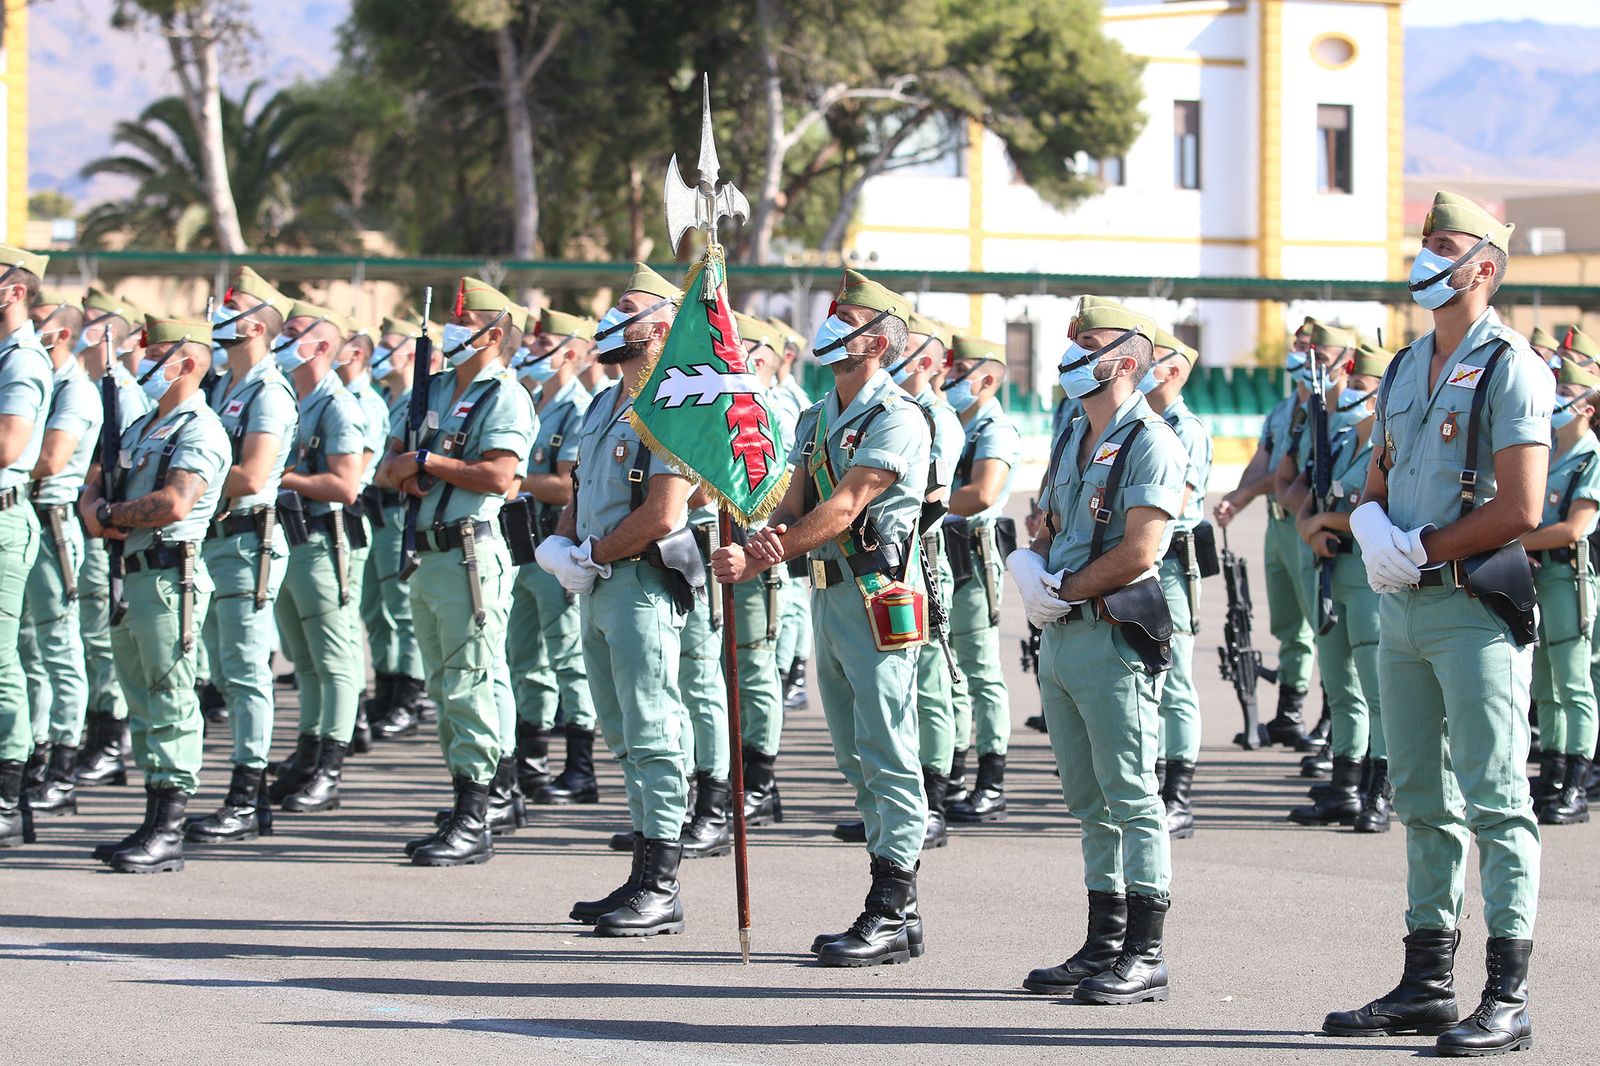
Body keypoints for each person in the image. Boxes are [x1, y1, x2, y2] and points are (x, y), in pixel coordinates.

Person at [1326, 190, 1549, 1056]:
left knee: (1496, 798)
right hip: (1404, 605)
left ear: (1483, 268)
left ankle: (1508, 993)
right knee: (1421, 798)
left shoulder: (1511, 366)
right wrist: (1374, 524)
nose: (1426, 257)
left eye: (1443, 246)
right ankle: (1426, 984)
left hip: (1469, 609)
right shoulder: (1408, 366)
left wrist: (1419, 547)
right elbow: (1379, 476)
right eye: (1424, 243)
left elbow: (1524, 505)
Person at [713, 269, 932, 966]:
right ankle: (900, 904)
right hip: (826, 593)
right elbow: (791, 502)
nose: (831, 327)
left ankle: (890, 907)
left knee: (889, 752)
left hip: (878, 596)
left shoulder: (898, 416)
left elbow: (842, 508)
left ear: (878, 343)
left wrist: (759, 558)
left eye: (848, 320)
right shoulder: (814, 416)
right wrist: (753, 541)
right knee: (854, 753)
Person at [1011, 297, 1186, 1004]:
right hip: (1062, 633)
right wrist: (1037, 565)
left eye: (1091, 340)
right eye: (1073, 338)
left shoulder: (1152, 440)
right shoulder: (1070, 435)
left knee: (1132, 796)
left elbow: (1141, 549)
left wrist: (1065, 586)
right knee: (1088, 799)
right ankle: (1103, 941)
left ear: (1130, 359)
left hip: (1112, 632)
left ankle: (1146, 951)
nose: (1075, 347)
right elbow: (1050, 521)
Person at [537, 262, 694, 934]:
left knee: (654, 729)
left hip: (640, 583)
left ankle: (662, 883)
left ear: (663, 326)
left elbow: (664, 514)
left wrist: (591, 554)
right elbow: (580, 487)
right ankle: (640, 871)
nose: (611, 320)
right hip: (597, 583)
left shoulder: (677, 401)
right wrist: (561, 543)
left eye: (625, 309)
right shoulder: (605, 399)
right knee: (623, 734)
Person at [377, 276, 532, 867]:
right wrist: (413, 467)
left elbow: (498, 475)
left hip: (470, 552)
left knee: (468, 679)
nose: (453, 330)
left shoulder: (505, 396)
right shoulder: (431, 388)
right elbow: (385, 464)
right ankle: (480, 792)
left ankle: (475, 813)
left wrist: (427, 462)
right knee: (448, 683)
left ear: (493, 334)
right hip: (428, 550)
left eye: (465, 323)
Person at [78, 314, 230, 872]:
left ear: (186, 364)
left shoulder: (201, 428)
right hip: (134, 569)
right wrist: (97, 505)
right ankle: (151, 818)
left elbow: (174, 503)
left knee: (169, 697)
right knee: (142, 698)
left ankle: (169, 828)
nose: (142, 362)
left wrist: (108, 513)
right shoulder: (145, 425)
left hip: (171, 575)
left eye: (155, 353)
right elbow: (98, 481)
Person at [834, 309, 962, 848]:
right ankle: (889, 839)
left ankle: (929, 798)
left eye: (850, 323)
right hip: (836, 577)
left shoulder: (917, 417)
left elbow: (937, 503)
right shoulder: (827, 416)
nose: (834, 331)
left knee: (917, 699)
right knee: (858, 738)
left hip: (898, 571)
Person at [186, 267, 298, 843]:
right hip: (215, 538)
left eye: (230, 309)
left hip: (249, 540)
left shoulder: (268, 391)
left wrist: (181, 479)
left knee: (248, 670)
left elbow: (254, 474)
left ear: (255, 325)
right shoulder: (221, 386)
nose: (217, 316)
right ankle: (237, 787)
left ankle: (247, 794)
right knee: (225, 670)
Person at [1285, 340, 1394, 831]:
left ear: (1379, 396)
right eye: (1346, 381)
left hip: (1366, 577)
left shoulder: (1387, 449)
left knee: (1377, 693)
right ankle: (1345, 786)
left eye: (1358, 384)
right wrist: (1313, 524)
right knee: (1341, 687)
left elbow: (1370, 514)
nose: (1345, 390)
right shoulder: (1337, 441)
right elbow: (1304, 496)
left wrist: (1321, 520)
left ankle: (1380, 790)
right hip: (1329, 574)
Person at [265, 301, 366, 816]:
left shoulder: (336, 405)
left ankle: (330, 767)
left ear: (323, 346)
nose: (283, 338)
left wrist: (277, 476)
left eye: (295, 332)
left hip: (325, 538)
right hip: (289, 537)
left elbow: (345, 484)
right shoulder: (289, 398)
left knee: (334, 660)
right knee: (302, 659)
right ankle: (307, 754)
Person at [507, 308, 600, 805]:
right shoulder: (533, 402)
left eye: (543, 344)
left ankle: (580, 768)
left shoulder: (580, 407)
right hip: (520, 543)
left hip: (552, 543)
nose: (530, 351)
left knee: (566, 656)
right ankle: (532, 761)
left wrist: (511, 481)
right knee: (524, 657)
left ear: (568, 353)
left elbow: (571, 483)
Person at [1213, 316, 1320, 748]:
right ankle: (1288, 714)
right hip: (1278, 528)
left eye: (1308, 347)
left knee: (1321, 625)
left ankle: (1333, 720)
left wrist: (1245, 495)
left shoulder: (1326, 411)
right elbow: (1262, 461)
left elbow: (1283, 473)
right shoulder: (1282, 409)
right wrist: (1236, 497)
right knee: (1288, 624)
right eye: (1296, 345)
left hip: (1305, 524)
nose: (1298, 354)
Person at [17, 290, 100, 818]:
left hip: (54, 523)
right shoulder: (31, 377)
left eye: (39, 323)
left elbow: (48, 459)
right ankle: (33, 752)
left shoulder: (76, 390)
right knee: (25, 647)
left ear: (63, 333)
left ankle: (64, 765)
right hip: (28, 517)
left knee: (60, 644)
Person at [941, 334, 1021, 827]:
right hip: (944, 551)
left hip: (973, 551)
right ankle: (953, 772)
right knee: (948, 666)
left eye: (962, 369)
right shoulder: (951, 422)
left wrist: (920, 501)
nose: (951, 377)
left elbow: (983, 493)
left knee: (981, 671)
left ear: (987, 379)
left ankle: (991, 782)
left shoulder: (995, 427)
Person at [74, 289, 153, 790]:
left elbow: (119, 468)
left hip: (113, 530)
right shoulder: (98, 386)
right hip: (93, 520)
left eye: (93, 324)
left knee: (105, 635)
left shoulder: (122, 392)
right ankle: (101, 732)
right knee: (90, 633)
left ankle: (111, 740)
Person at [1519, 355, 1600, 826]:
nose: (1556, 402)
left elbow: (1574, 528)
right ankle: (1551, 772)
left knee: (1573, 682)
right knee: (1545, 682)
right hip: (1534, 574)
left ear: (1587, 406)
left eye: (1566, 394)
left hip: (1568, 577)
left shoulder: (1590, 455)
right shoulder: (1545, 449)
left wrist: (1513, 539)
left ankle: (1576, 781)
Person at [1138, 329, 1210, 838]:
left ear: (1176, 371)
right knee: (1144, 676)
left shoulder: (1187, 430)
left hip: (1170, 564)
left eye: (1153, 359)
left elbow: (1176, 502)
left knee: (1176, 679)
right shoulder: (1139, 425)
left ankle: (1179, 793)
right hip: (1139, 559)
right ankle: (1151, 782)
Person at [0, 245, 55, 848]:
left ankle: (9, 795)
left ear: (15, 290)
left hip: (4, 521)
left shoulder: (20, 360)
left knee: (0, 663)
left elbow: (8, 445)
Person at [364, 313, 432, 739]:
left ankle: (408, 694)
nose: (378, 354)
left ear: (409, 354)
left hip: (400, 508)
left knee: (400, 607)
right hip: (377, 510)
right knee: (378, 608)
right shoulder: (390, 400)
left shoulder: (418, 400)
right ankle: (387, 686)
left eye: (388, 345)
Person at [335, 316, 391, 752]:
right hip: (346, 517)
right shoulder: (335, 399)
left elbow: (359, 469)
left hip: (350, 516)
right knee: (357, 617)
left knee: (351, 621)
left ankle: (352, 715)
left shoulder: (363, 403)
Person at [768, 315, 814, 711]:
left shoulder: (791, 402)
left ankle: (793, 672)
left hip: (786, 511)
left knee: (793, 600)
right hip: (780, 513)